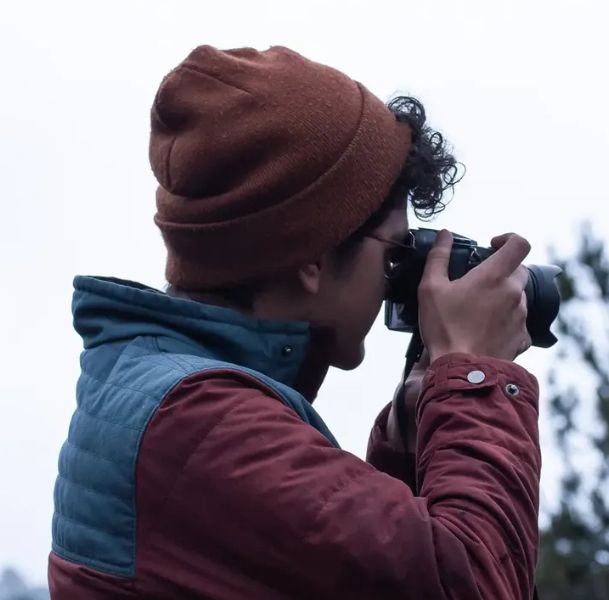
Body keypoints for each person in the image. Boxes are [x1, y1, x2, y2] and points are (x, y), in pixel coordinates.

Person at [48, 45, 540, 599]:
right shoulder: (198, 423)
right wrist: (476, 374)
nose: (402, 279)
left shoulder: (170, 399)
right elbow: (469, 584)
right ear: (314, 257)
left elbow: (341, 572)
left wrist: (410, 439)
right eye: (396, 254)